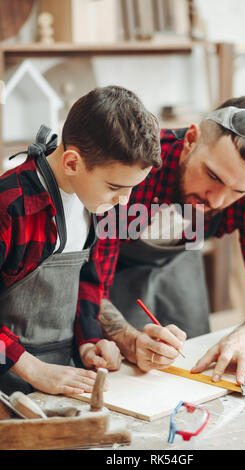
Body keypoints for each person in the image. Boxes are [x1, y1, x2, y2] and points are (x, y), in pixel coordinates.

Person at [0, 86, 187, 396]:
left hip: (59, 374)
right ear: (73, 163)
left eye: (131, 189)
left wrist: (88, 341)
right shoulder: (11, 205)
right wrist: (34, 369)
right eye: (116, 187)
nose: (125, 203)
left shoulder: (93, 201)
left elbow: (86, 279)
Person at [103, 96, 245, 386]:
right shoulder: (138, 163)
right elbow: (83, 277)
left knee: (188, 368)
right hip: (108, 268)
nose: (217, 200)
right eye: (213, 176)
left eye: (237, 192)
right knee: (124, 376)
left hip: (179, 262)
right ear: (191, 139)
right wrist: (128, 340)